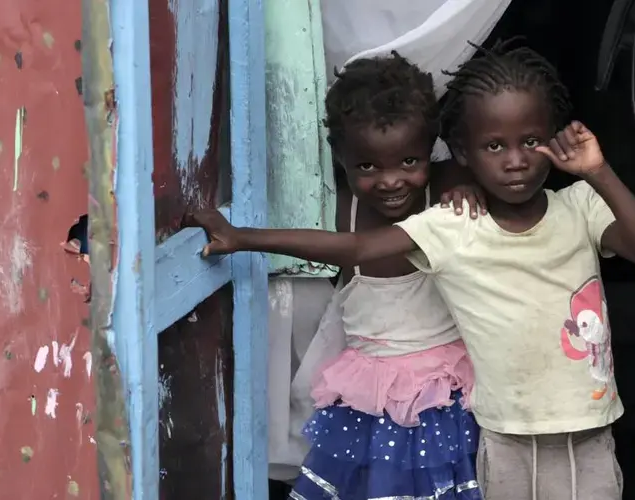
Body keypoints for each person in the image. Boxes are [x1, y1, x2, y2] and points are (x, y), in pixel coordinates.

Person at [191, 42, 635, 500]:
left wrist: (597, 171)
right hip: (502, 434)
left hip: (588, 427)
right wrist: (244, 237)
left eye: (530, 141)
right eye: (494, 147)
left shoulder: (577, 205)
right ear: (462, 152)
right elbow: (356, 246)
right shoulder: (452, 225)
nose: (516, 161)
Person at [202, 52, 485, 499]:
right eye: (368, 167)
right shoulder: (340, 206)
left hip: (438, 399)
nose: (391, 181)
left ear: (432, 148)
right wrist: (239, 237)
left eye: (409, 162)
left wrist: (465, 183)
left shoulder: (446, 192)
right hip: (366, 401)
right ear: (340, 157)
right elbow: (343, 247)